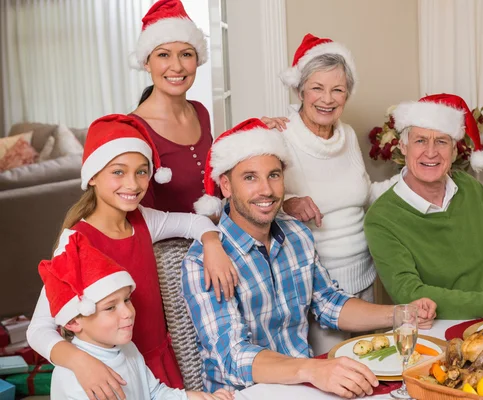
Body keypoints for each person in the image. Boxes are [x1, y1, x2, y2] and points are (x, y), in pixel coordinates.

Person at [188, 118, 437, 398]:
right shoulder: (203, 260)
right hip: (245, 393)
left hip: (304, 385)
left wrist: (401, 314)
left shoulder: (296, 234)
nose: (266, 190)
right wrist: (313, 370)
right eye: (249, 177)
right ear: (226, 185)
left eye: (273, 175)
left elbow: (329, 303)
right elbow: (234, 357)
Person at [27, 114, 235, 400]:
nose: (134, 184)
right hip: (108, 368)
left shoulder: (143, 221)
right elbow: (38, 328)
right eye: (118, 172)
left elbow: (194, 223)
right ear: (93, 176)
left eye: (141, 172)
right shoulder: (76, 242)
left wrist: (212, 244)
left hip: (156, 367)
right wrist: (81, 362)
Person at [129, 0, 286, 296]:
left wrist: (250, 135)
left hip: (218, 248)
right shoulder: (134, 129)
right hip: (167, 265)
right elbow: (138, 219)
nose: (177, 66)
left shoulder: (199, 111)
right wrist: (208, 237)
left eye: (186, 54)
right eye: (164, 54)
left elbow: (209, 170)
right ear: (146, 62)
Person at [364, 93, 483, 320]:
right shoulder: (382, 217)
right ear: (403, 147)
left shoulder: (470, 188)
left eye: (441, 141)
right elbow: (410, 293)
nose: (431, 152)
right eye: (420, 140)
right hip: (434, 331)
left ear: (453, 151)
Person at [277, 33, 402, 354]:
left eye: (338, 89)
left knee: (375, 363)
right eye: (317, 88)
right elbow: (252, 203)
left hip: (364, 273)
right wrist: (288, 203)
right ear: (299, 89)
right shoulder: (279, 136)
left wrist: (414, 177)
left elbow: (364, 194)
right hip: (315, 284)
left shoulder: (345, 134)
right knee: (332, 370)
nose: (327, 99)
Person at [40, 232, 233, 400]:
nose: (128, 312)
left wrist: (193, 397)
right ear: (73, 321)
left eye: (127, 300)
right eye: (110, 308)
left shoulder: (127, 348)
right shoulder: (73, 380)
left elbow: (155, 393)